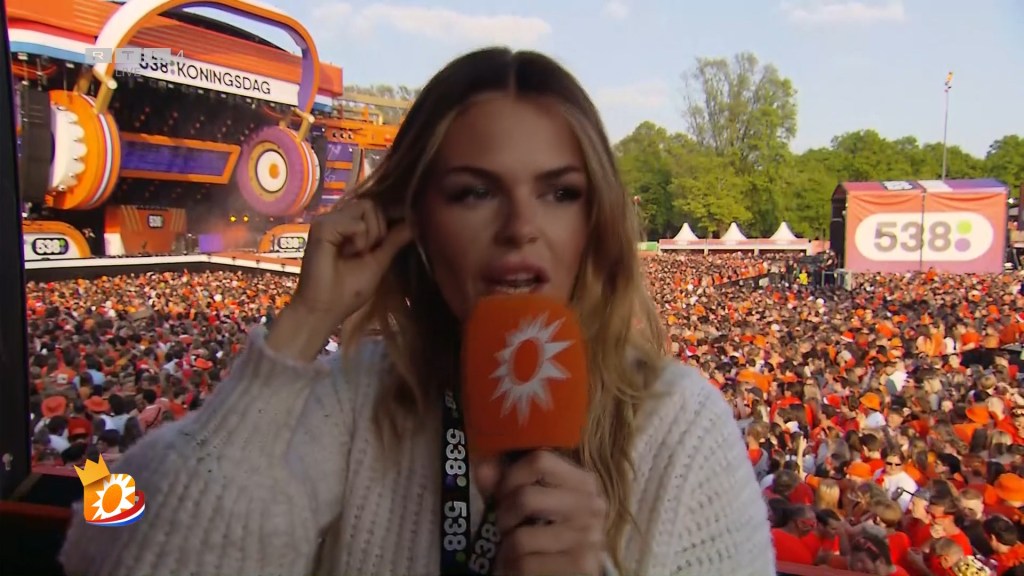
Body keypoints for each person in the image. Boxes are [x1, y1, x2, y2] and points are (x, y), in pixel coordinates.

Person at [58, 47, 772, 575]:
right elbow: (114, 541)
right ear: (415, 219)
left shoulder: (681, 426)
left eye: (559, 193)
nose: (521, 227)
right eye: (473, 192)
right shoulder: (353, 400)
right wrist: (303, 328)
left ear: (596, 222)